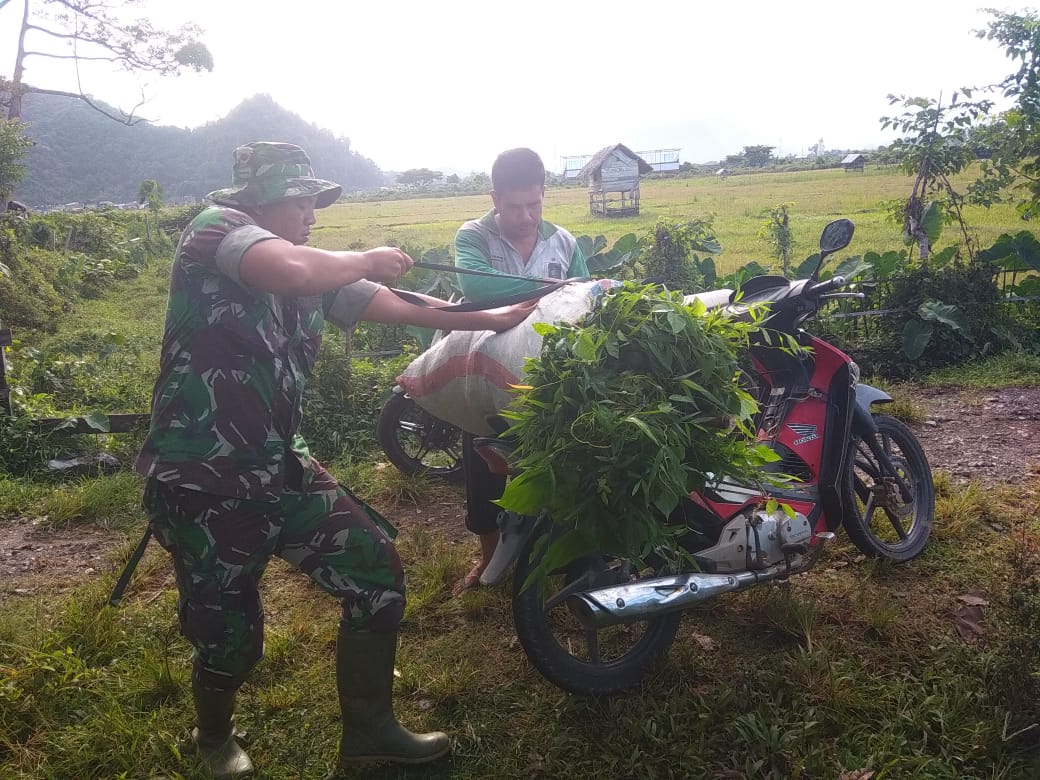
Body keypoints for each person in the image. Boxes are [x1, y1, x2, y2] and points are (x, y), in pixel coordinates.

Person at [135, 141, 536, 779]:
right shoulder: (216, 233)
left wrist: (495, 317)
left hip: (281, 467)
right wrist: (369, 256)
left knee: (375, 570)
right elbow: (293, 269)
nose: (311, 215)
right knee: (229, 639)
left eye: (314, 203)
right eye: (301, 201)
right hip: (206, 479)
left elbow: (401, 304)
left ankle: (371, 736)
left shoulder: (312, 270)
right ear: (262, 199)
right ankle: (213, 737)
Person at [451, 147, 589, 594]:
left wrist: (570, 292)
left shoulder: (564, 242)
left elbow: (585, 295)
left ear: (544, 193)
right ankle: (488, 555)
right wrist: (548, 289)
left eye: (535, 204)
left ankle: (560, 552)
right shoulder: (474, 237)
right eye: (514, 207)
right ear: (494, 198)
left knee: (559, 457)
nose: (527, 216)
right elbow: (476, 287)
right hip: (486, 372)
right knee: (482, 463)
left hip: (550, 376)